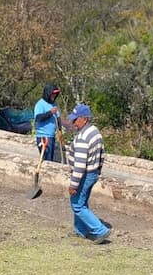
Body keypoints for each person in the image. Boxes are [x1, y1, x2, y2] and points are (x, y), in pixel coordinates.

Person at [66, 104, 111, 243]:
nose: (73, 122)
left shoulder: (83, 138)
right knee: (82, 202)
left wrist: (73, 185)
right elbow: (102, 154)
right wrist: (98, 171)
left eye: (75, 119)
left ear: (84, 119)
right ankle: (80, 230)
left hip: (84, 174)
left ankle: (100, 230)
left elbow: (79, 165)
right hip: (93, 172)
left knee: (77, 205)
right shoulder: (95, 131)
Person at [34, 83, 61, 161]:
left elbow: (58, 118)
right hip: (43, 136)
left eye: (55, 94)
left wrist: (59, 130)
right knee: (46, 159)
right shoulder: (40, 104)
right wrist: (50, 113)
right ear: (48, 94)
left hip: (51, 136)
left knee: (50, 159)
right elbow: (38, 118)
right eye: (52, 94)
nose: (54, 96)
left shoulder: (54, 104)